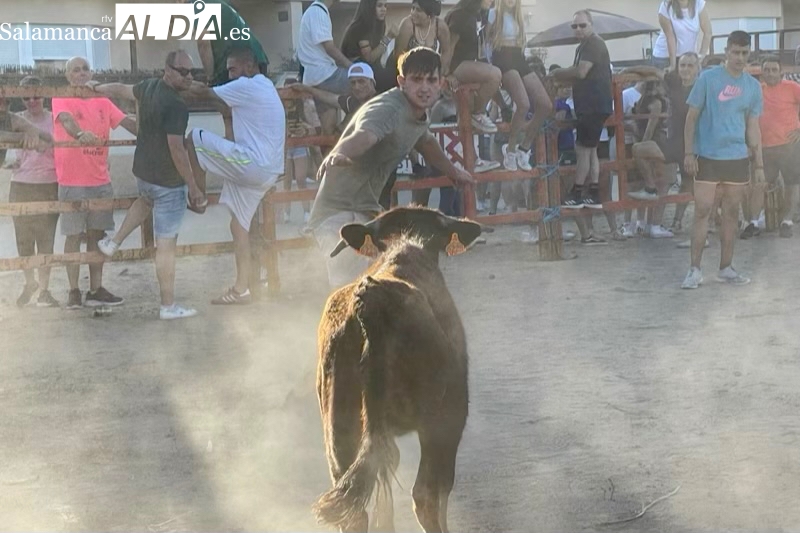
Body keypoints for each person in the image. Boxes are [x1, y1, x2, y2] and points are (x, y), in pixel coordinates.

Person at [306, 47, 474, 288]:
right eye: (416, 79)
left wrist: (453, 171)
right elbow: (365, 135)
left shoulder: (416, 115)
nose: (424, 87)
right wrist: (341, 152)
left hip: (366, 210)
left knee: (381, 283)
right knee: (351, 288)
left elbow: (426, 142)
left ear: (441, 84)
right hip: (338, 212)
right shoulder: (388, 109)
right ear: (402, 82)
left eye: (431, 80)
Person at [91, 50, 202, 320]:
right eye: (183, 71)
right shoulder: (176, 105)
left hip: (144, 173)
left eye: (192, 72)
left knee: (145, 200)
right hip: (167, 181)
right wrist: (194, 185)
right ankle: (168, 305)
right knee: (167, 246)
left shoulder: (149, 86)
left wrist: (96, 87)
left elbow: (120, 89)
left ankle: (113, 242)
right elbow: (177, 149)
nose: (188, 77)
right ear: (168, 69)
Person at [179, 47, 286, 304]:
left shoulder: (248, 85)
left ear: (250, 67)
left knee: (194, 138)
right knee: (238, 225)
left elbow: (204, 93)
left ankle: (199, 198)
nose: (229, 75)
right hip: (267, 170)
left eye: (232, 70)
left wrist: (180, 82)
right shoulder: (266, 87)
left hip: (253, 164)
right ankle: (242, 289)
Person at [53, 56, 137, 310]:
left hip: (100, 180)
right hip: (72, 180)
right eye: (75, 70)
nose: (81, 74)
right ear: (68, 76)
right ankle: (73, 290)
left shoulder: (102, 100)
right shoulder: (61, 97)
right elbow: (67, 121)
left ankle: (95, 289)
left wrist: (155, 132)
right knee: (72, 236)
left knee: (97, 236)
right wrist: (80, 133)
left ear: (91, 73)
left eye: (85, 69)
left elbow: (128, 123)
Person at [681, 30, 763, 289]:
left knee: (731, 213)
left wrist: (758, 163)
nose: (740, 57)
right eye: (736, 52)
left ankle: (726, 267)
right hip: (707, 156)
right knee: (703, 211)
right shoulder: (707, 78)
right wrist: (688, 153)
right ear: (726, 51)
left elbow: (753, 126)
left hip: (737, 157)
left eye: (745, 53)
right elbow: (691, 118)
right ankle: (694, 270)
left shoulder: (753, 86)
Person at [5, 77, 58, 307]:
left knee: (46, 240)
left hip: (48, 182)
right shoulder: (14, 120)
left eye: (35, 95)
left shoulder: (55, 119)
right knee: (24, 241)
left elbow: (60, 148)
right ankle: (30, 282)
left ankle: (44, 289)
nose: (31, 101)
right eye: (26, 97)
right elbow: (7, 155)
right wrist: (11, 158)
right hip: (21, 183)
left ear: (43, 96)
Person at [552, 10, 612, 211]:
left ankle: (577, 192)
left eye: (582, 25)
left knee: (583, 150)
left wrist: (556, 73)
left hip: (592, 105)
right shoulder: (587, 45)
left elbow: (581, 71)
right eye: (575, 26)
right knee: (591, 149)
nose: (578, 29)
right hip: (594, 105)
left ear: (591, 24)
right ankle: (593, 192)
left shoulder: (593, 44)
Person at [487, 0, 552, 171]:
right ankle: (510, 150)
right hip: (501, 57)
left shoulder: (519, 16)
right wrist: (490, 69)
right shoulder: (493, 13)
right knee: (523, 104)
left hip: (519, 57)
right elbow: (486, 43)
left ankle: (524, 148)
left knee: (545, 105)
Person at [741, 56, 800, 239]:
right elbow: (746, 117)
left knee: (792, 184)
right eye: (767, 70)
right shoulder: (756, 90)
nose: (771, 73)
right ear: (762, 72)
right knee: (759, 184)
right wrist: (749, 144)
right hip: (764, 147)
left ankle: (787, 222)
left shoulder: (793, 87)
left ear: (781, 71)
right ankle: (753, 222)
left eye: (774, 70)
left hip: (789, 145)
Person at [444, 0, 502, 135]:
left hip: (468, 65)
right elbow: (449, 47)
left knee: (464, 118)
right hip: (457, 65)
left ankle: (470, 155)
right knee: (495, 74)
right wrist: (447, 73)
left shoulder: (476, 16)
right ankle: (479, 112)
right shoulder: (460, 15)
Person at [298, 0, 354, 133]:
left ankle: (328, 150)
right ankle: (342, 130)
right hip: (326, 75)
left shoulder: (314, 11)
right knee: (368, 91)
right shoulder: (318, 12)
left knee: (328, 129)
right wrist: (352, 67)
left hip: (315, 78)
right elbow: (329, 48)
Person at [340, 0, 399, 93]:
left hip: (369, 65)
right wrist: (388, 37)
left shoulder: (378, 25)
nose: (383, 9)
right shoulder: (361, 27)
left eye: (385, 6)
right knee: (389, 77)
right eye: (379, 6)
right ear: (370, 7)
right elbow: (369, 58)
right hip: (356, 66)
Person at [652, 0, 711, 71]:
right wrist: (672, 65)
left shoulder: (699, 4)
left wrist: (701, 56)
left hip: (688, 58)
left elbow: (708, 32)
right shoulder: (665, 6)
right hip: (665, 58)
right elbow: (670, 37)